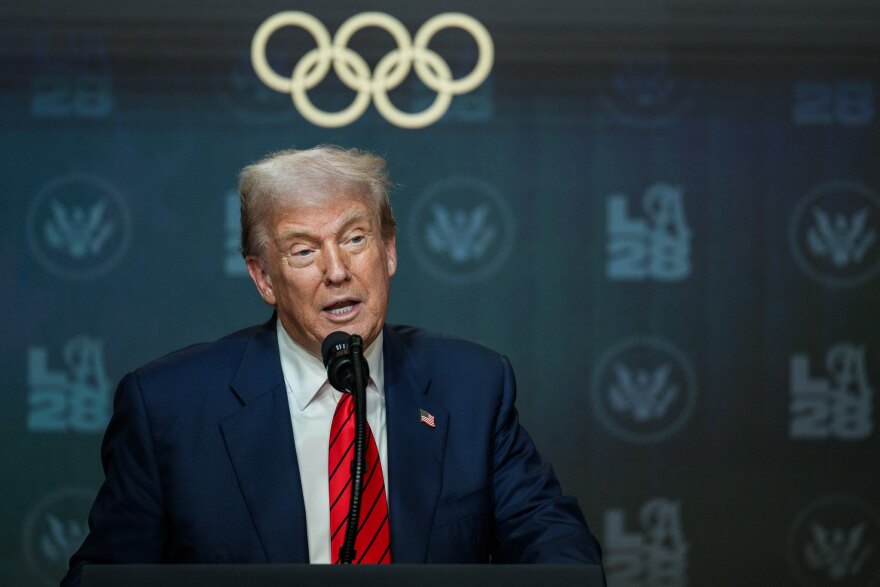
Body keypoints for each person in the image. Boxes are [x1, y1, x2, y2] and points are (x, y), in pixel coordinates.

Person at [62, 146, 602, 586]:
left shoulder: (472, 386)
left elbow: (556, 546)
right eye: (303, 251)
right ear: (263, 278)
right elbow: (107, 578)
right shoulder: (168, 408)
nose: (337, 270)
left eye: (355, 238)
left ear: (388, 251)